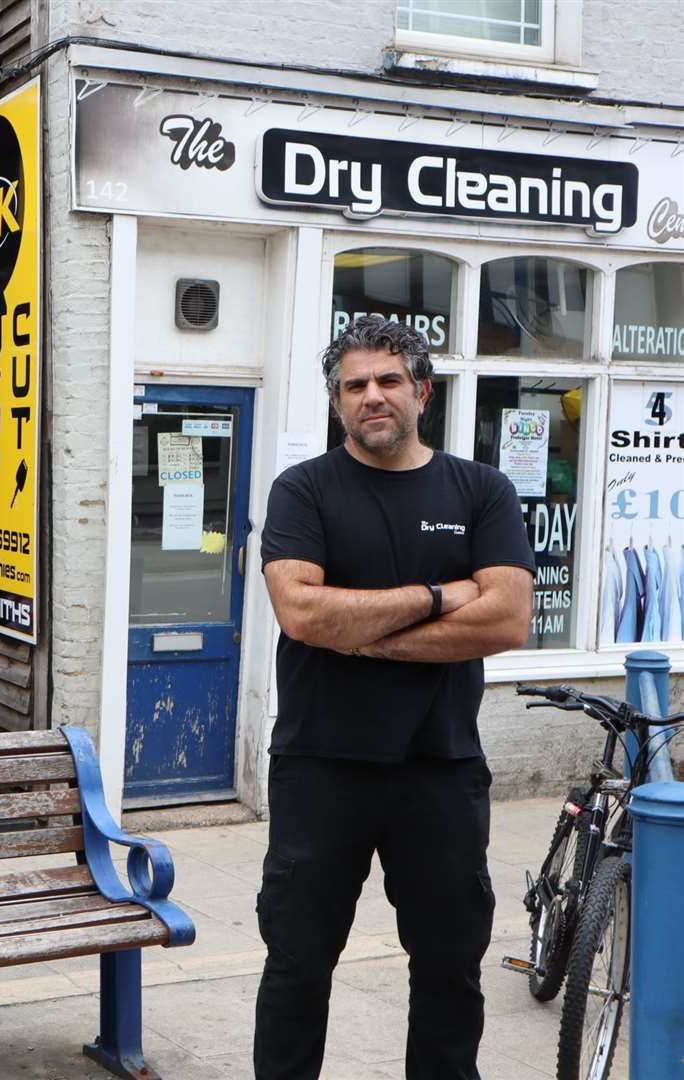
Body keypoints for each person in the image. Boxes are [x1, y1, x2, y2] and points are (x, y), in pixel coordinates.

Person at [256, 314, 534, 1079]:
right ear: (337, 401)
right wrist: (444, 595)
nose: (371, 396)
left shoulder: (482, 490)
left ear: (423, 392)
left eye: (387, 381)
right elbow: (303, 612)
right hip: (321, 764)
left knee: (450, 969)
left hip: (439, 767)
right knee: (298, 965)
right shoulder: (303, 490)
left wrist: (366, 633)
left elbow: (507, 617)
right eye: (354, 386)